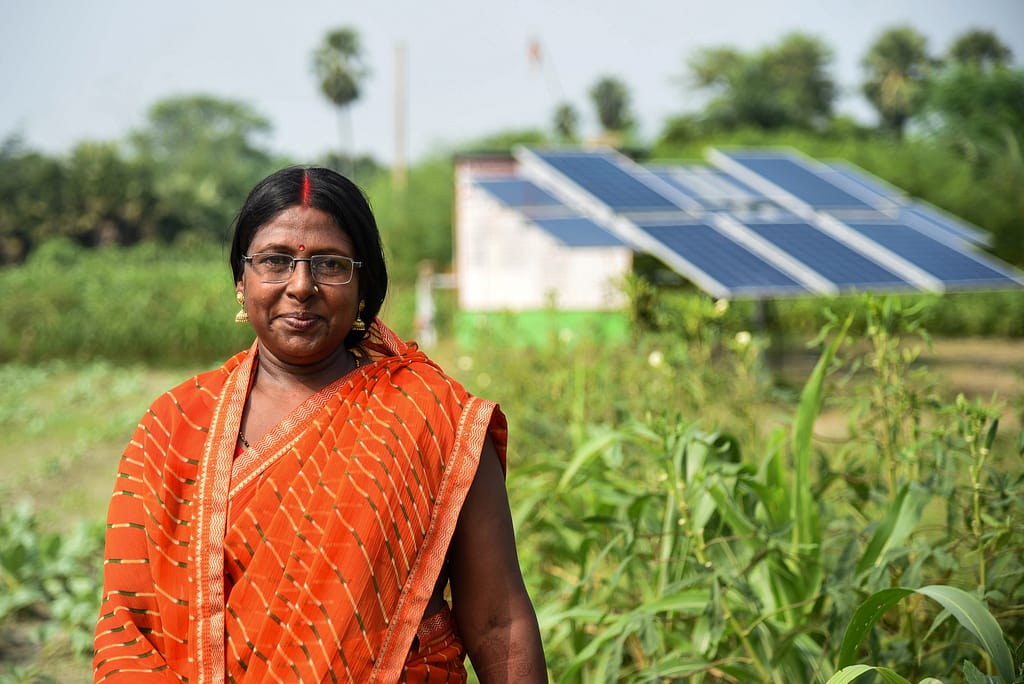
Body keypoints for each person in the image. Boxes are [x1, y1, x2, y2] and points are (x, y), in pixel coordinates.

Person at [92, 166, 547, 682]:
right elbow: (129, 625)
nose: (301, 286)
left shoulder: (434, 418)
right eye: (275, 261)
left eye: (330, 264)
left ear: (363, 283)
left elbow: (497, 621)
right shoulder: (174, 426)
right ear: (242, 281)